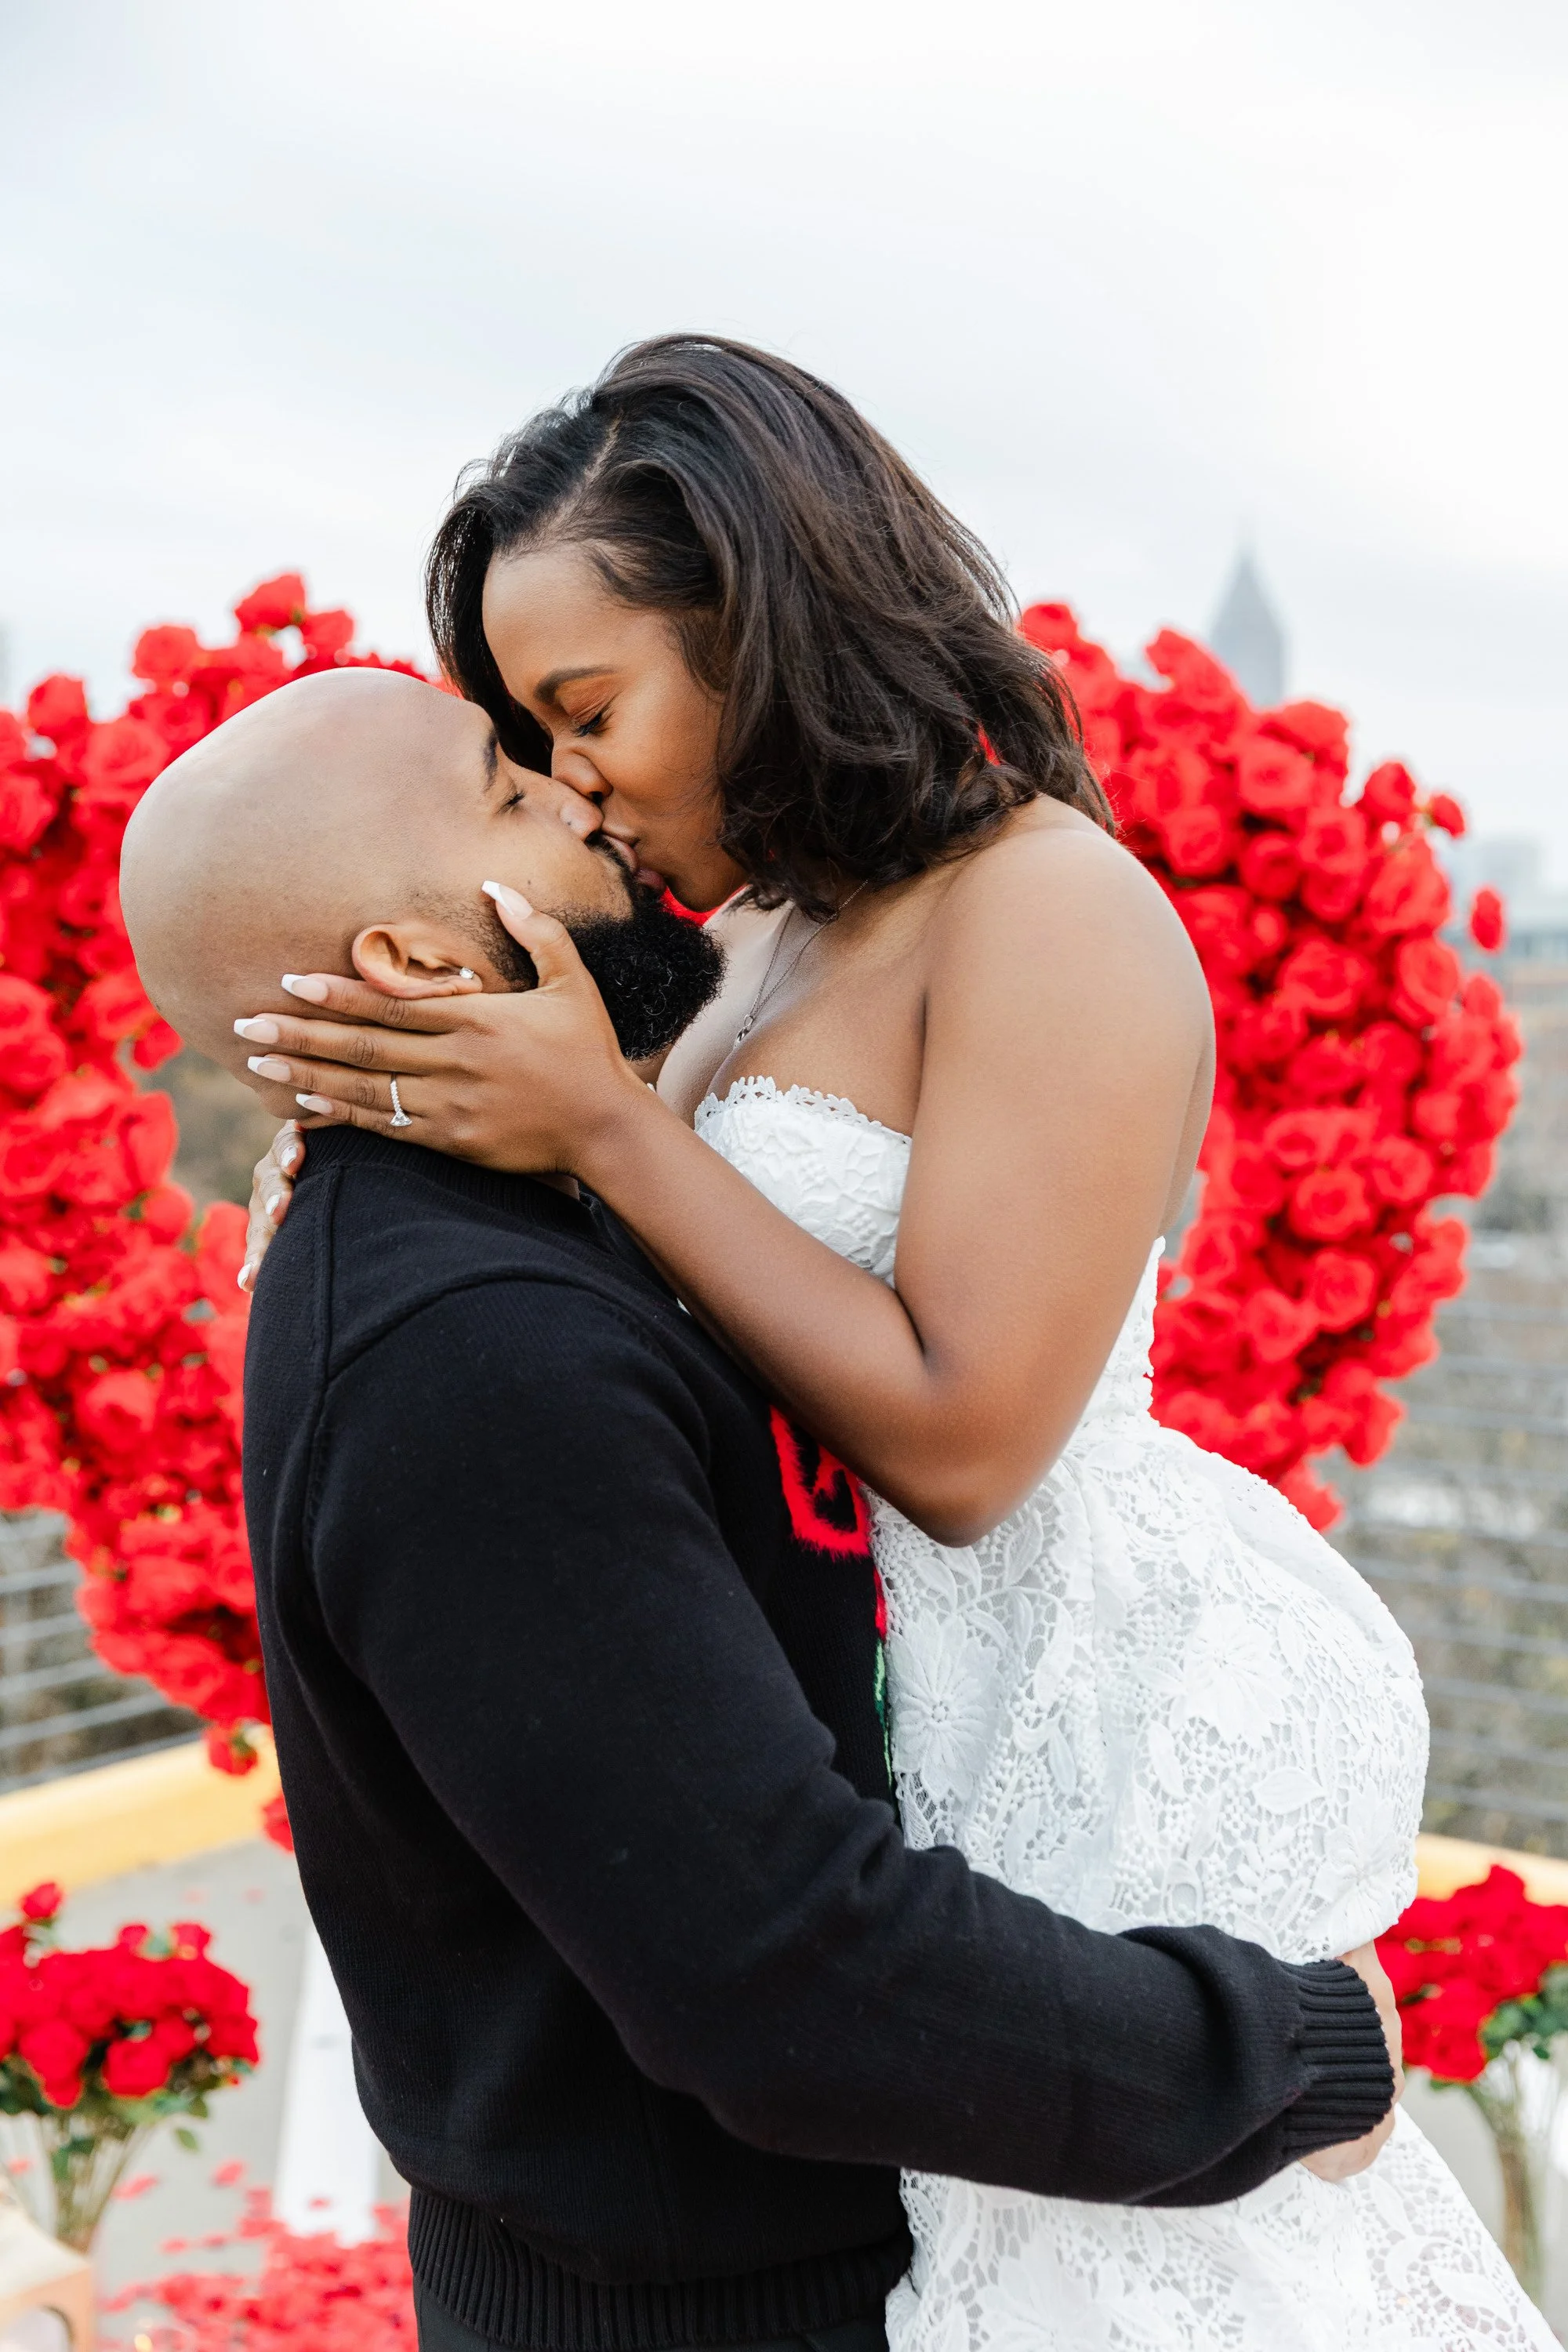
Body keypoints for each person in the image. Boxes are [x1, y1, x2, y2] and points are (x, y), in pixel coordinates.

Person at [232, 343, 1553, 2347]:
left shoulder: (1045, 910)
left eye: (587, 712)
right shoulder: (749, 937)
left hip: (1054, 1705)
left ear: (763, 619)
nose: (573, 779)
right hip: (860, 1717)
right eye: (523, 740)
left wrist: (598, 1130)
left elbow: (963, 1440)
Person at [121, 667, 1405, 2352]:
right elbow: (787, 1971)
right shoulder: (474, 1353)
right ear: (417, 963)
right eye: (511, 792)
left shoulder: (528, 1234)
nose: (576, 795)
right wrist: (1291, 2051)